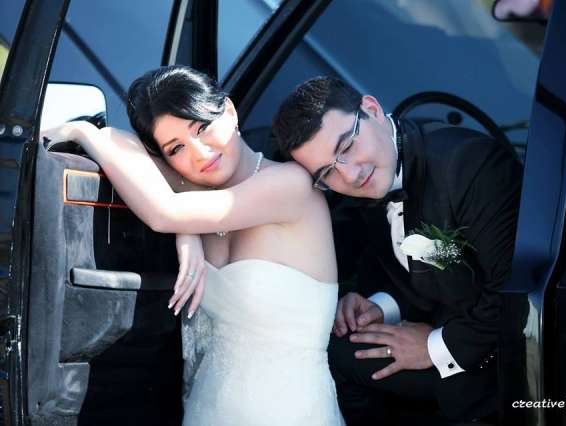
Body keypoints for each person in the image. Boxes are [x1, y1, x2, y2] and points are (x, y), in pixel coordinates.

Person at [40, 66, 345, 426]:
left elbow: (165, 213)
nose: (199, 153)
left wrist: (83, 131)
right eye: (177, 148)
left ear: (229, 111)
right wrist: (187, 233)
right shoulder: (196, 197)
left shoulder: (291, 185)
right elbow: (130, 149)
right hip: (207, 409)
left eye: (202, 127)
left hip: (292, 412)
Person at [272, 76, 523, 424]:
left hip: (500, 360)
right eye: (327, 172)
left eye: (347, 146)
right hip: (443, 321)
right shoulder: (372, 181)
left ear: (372, 109)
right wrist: (381, 305)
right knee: (331, 354)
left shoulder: (470, 166)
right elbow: (428, 267)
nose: (350, 175)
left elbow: (514, 293)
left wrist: (434, 348)